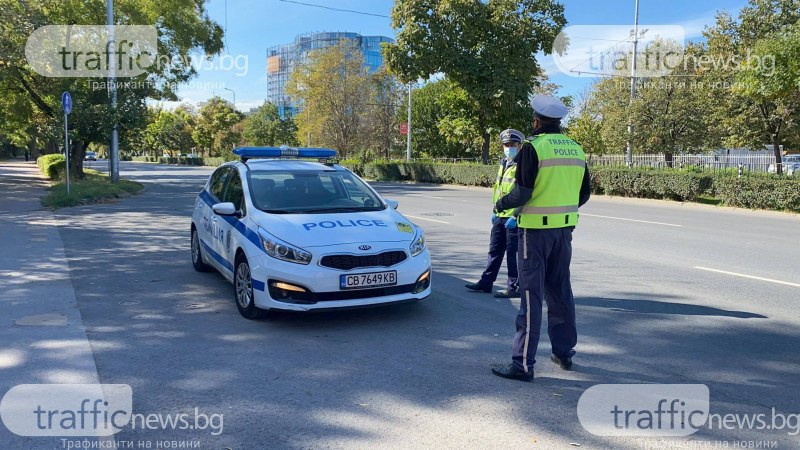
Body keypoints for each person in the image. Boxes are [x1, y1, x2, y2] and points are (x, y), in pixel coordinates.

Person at [491, 95, 592, 382]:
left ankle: (523, 364)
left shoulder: (533, 148)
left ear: (536, 120)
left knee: (530, 296)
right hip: (564, 232)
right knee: (560, 293)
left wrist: (501, 204)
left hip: (534, 233)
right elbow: (584, 194)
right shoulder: (576, 148)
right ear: (559, 121)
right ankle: (563, 353)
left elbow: (522, 192)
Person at [465, 129, 525, 298]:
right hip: (500, 213)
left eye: (512, 145)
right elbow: (499, 189)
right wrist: (494, 210)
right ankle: (486, 282)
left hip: (513, 216)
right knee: (494, 250)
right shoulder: (504, 161)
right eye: (506, 145)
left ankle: (514, 287)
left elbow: (524, 192)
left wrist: (516, 215)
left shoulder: (523, 164)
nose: (509, 147)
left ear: (520, 145)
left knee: (513, 254)